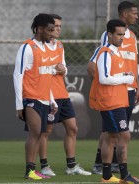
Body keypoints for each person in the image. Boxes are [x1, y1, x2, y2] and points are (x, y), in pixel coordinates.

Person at [87, 0, 139, 175]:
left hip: (129, 90)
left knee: (120, 130)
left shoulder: (132, 37)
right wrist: (105, 87)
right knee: (110, 130)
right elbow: (95, 65)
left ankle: (116, 165)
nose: (137, 16)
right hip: (114, 91)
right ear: (124, 14)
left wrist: (137, 86)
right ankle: (100, 164)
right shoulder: (108, 37)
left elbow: (133, 65)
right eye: (134, 13)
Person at [38, 14, 91, 176]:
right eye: (55, 26)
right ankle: (45, 166)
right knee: (46, 131)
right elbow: (37, 73)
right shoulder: (38, 47)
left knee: (73, 128)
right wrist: (55, 70)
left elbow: (64, 68)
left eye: (60, 26)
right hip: (47, 95)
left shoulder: (60, 45)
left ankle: (71, 166)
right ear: (47, 28)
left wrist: (63, 70)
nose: (58, 29)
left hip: (62, 93)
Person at [13, 13, 58, 180]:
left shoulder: (46, 48)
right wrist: (19, 104)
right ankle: (29, 171)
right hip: (30, 97)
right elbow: (18, 75)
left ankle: (33, 170)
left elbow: (46, 75)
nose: (53, 33)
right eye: (49, 30)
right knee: (35, 131)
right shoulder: (27, 47)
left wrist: (52, 99)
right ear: (39, 29)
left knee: (40, 133)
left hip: (45, 98)